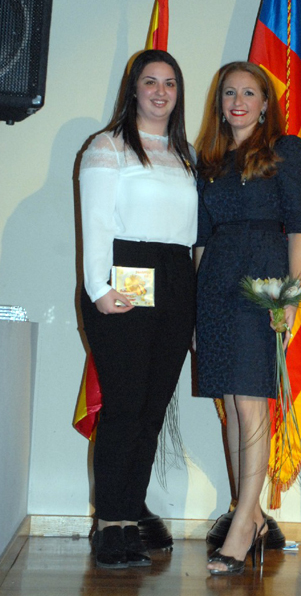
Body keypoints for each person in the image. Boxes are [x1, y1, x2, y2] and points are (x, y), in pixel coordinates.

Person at [79, 50, 197, 568]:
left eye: (169, 83)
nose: (160, 92)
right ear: (133, 89)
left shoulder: (186, 154)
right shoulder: (107, 146)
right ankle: (109, 523)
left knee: (151, 412)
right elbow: (96, 221)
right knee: (124, 408)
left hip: (176, 278)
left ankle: (130, 516)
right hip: (124, 273)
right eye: (150, 82)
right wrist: (98, 287)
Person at [195, 61, 301, 575]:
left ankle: (242, 523)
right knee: (232, 401)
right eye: (229, 93)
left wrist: (291, 296)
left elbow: (299, 227)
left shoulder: (286, 150)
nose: (238, 101)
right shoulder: (209, 160)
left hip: (262, 283)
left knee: (251, 400)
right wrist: (197, 309)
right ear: (219, 104)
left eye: (249, 93)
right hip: (215, 285)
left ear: (265, 104)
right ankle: (253, 516)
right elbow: (200, 240)